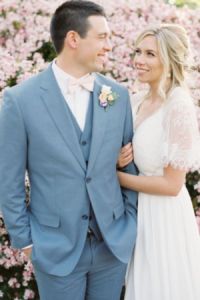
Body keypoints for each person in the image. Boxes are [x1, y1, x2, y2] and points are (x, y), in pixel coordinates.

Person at [0, 1, 138, 300]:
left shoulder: (117, 96)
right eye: (102, 37)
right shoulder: (20, 100)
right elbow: (8, 179)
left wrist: (129, 222)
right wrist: (26, 241)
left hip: (111, 246)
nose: (109, 46)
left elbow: (128, 166)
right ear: (73, 39)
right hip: (54, 249)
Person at [117, 24, 200, 300]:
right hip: (138, 214)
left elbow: (172, 184)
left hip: (164, 218)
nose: (139, 60)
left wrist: (115, 177)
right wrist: (118, 162)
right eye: (138, 51)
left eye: (150, 54)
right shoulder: (137, 100)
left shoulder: (178, 106)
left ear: (169, 59)